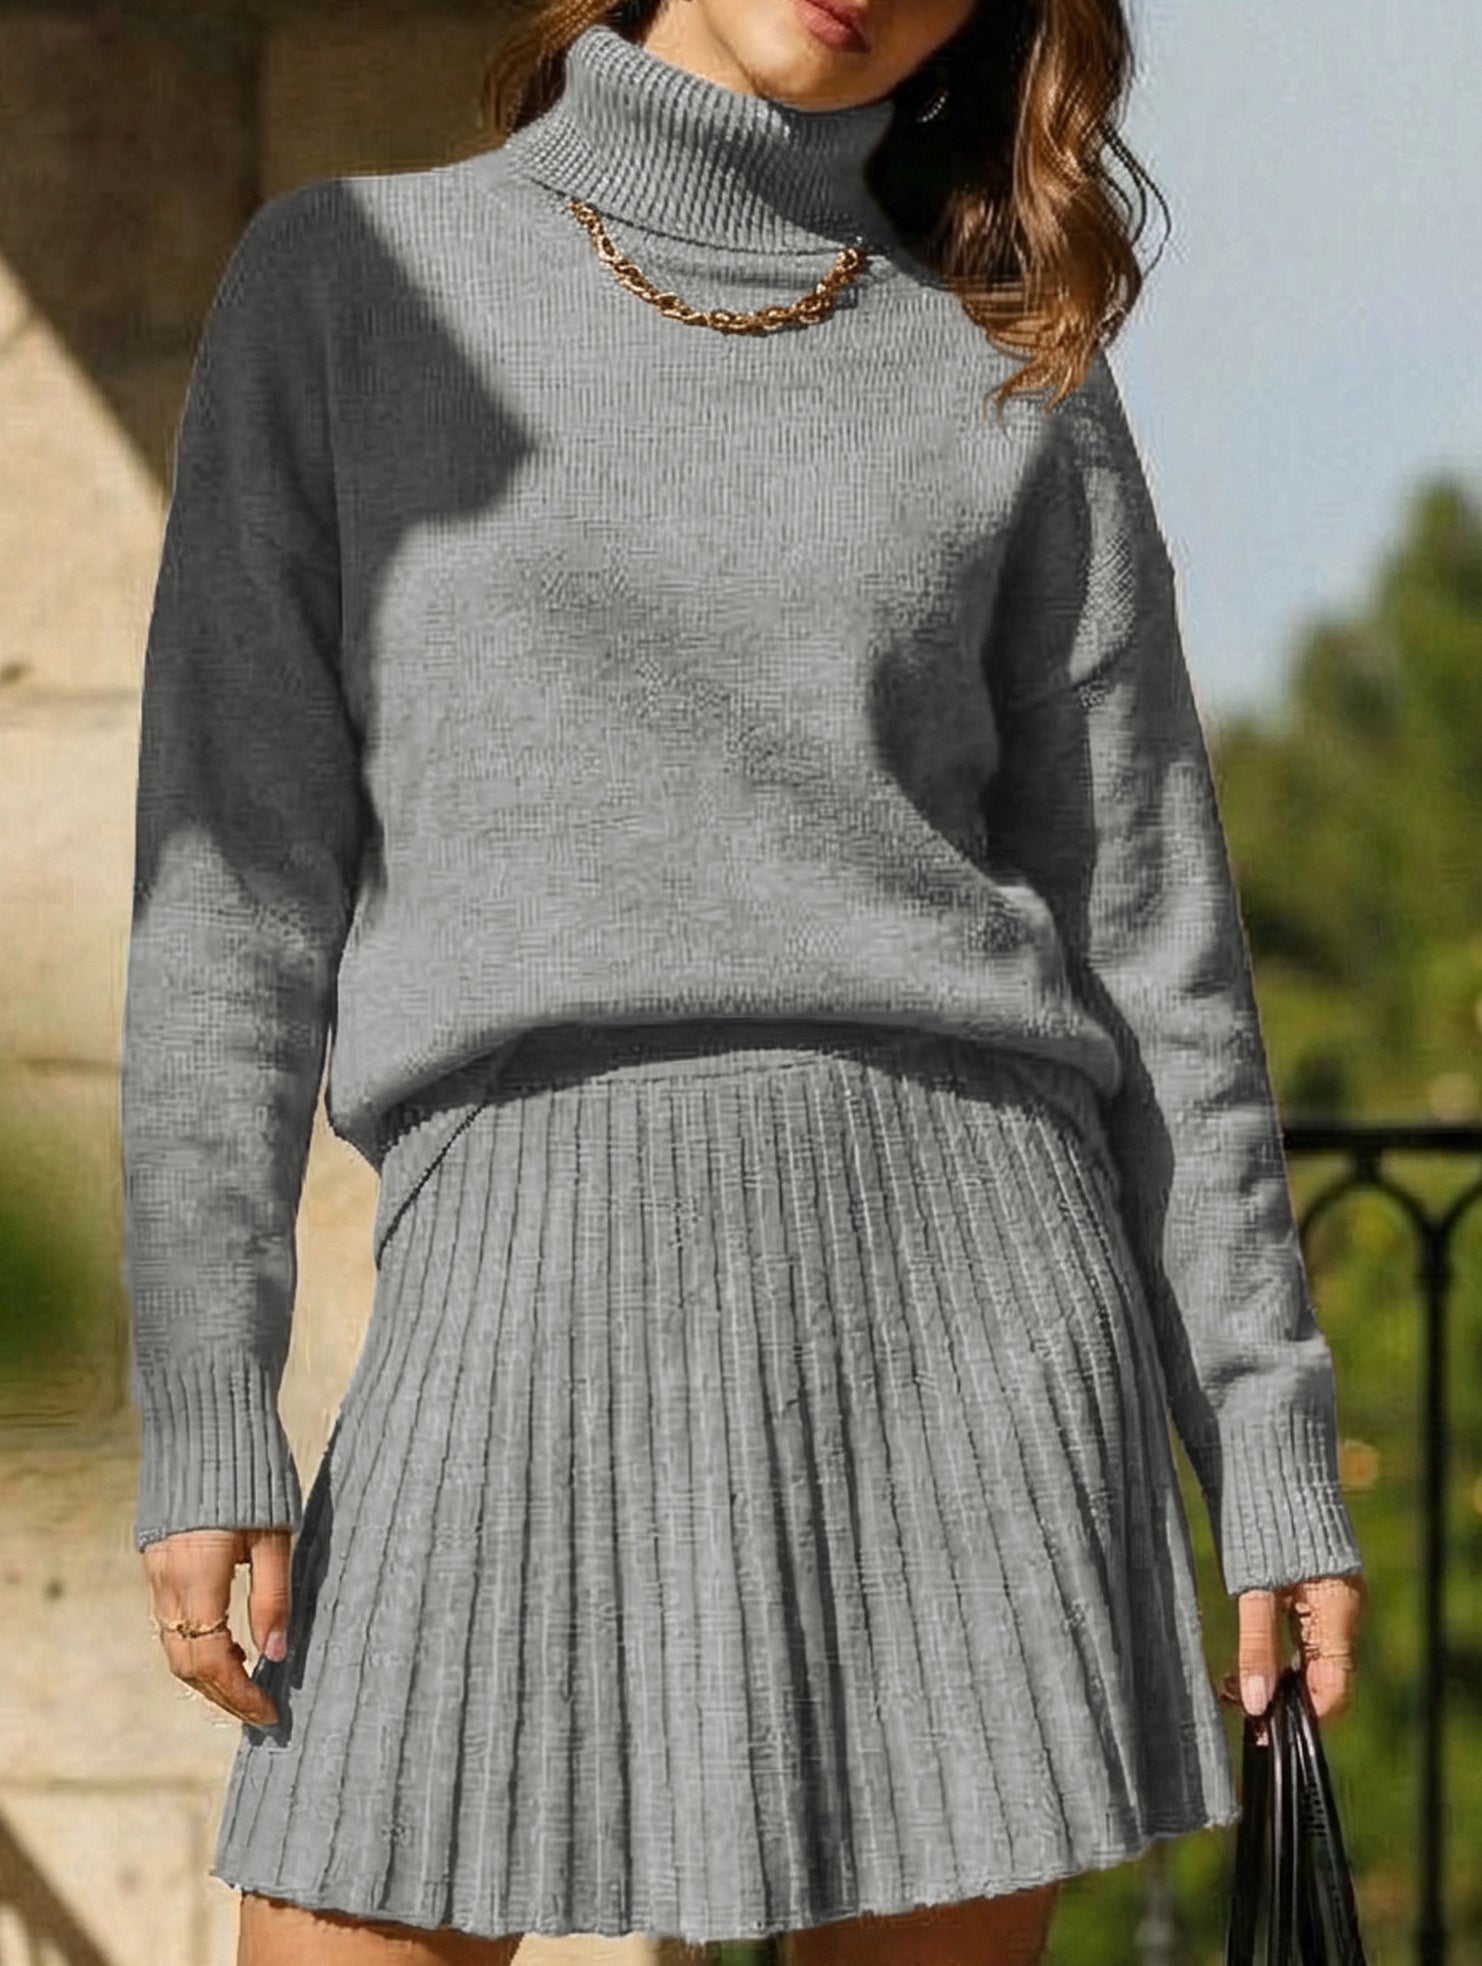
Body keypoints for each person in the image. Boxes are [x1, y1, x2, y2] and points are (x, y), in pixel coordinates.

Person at [122, 1, 1369, 1961]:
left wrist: (1266, 1440)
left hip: (970, 1331)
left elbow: (1156, 950)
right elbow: (227, 906)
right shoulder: (347, 285)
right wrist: (211, 1392)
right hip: (508, 1306)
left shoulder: (1008, 354)